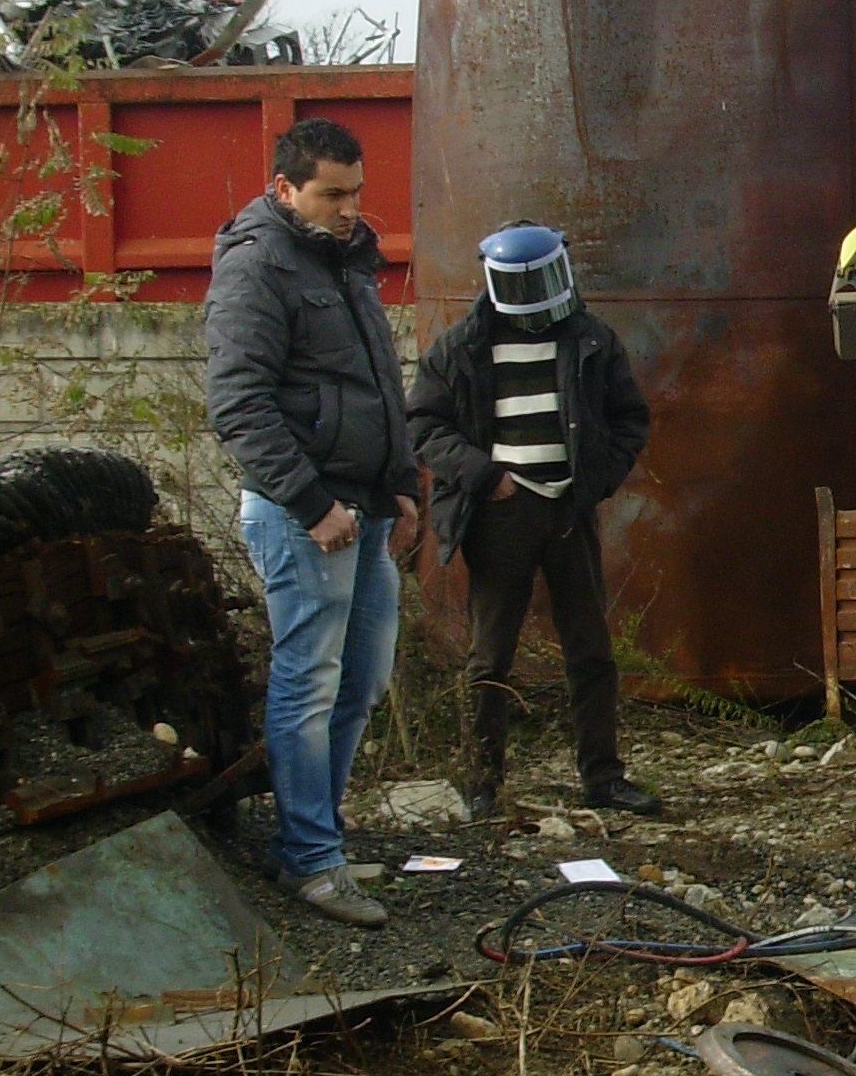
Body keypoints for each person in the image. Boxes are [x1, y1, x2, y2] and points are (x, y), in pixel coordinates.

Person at [204, 117, 418, 926]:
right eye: (331, 194)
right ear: (282, 189)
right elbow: (238, 403)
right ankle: (309, 862)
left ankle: (316, 842)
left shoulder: (342, 257)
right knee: (309, 687)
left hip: (357, 509)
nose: (349, 208)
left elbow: (371, 384)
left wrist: (396, 481)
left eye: (357, 192)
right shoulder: (260, 266)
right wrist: (311, 502)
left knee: (358, 684)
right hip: (305, 514)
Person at [407, 222, 661, 823]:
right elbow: (424, 427)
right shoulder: (458, 347)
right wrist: (483, 475)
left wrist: (596, 480)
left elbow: (629, 418)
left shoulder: (591, 340)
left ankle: (602, 778)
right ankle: (483, 784)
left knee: (591, 650)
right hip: (499, 516)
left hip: (568, 509)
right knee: (490, 656)